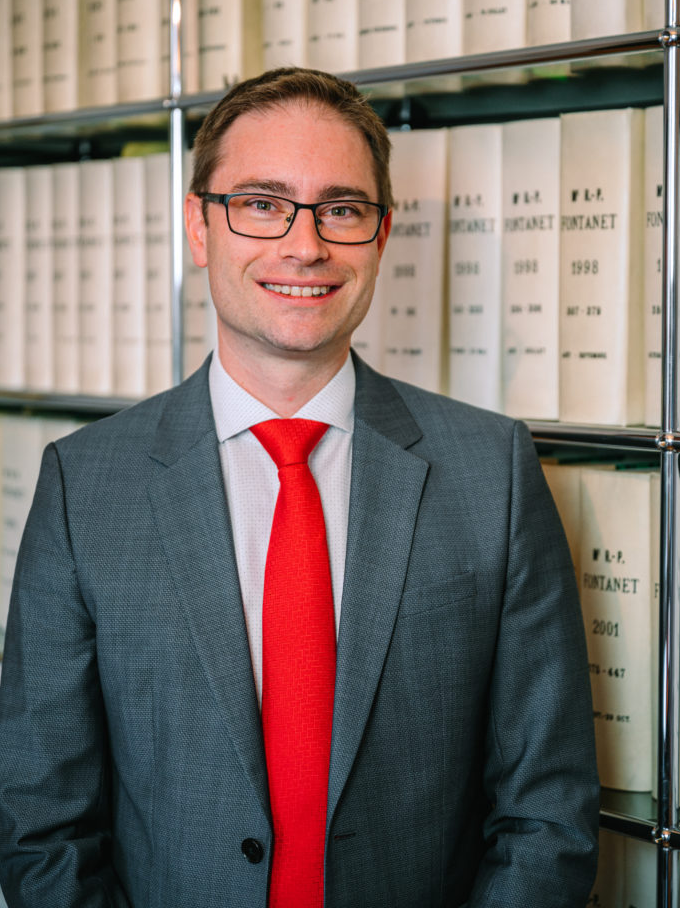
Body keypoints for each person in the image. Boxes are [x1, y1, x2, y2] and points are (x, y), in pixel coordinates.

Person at [0, 68, 599, 907]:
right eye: (261, 203)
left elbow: (548, 814)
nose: (305, 245)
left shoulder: (491, 471)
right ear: (200, 227)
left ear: (381, 236)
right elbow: (40, 825)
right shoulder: (84, 484)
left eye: (341, 210)